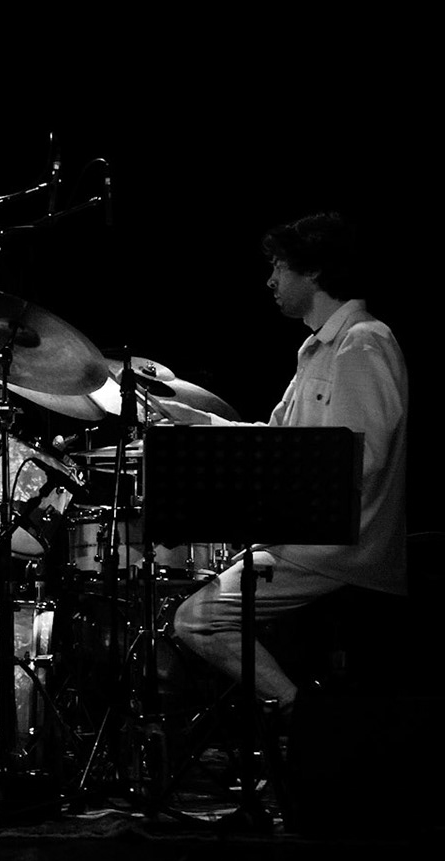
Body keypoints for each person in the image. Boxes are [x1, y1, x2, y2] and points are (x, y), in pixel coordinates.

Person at [167, 212, 408, 723]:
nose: (270, 280)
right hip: (312, 537)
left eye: (278, 266)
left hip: (342, 546)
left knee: (198, 620)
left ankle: (303, 719)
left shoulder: (363, 341)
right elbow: (277, 443)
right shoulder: (318, 349)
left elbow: (359, 461)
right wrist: (196, 422)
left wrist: (272, 506)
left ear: (314, 271)